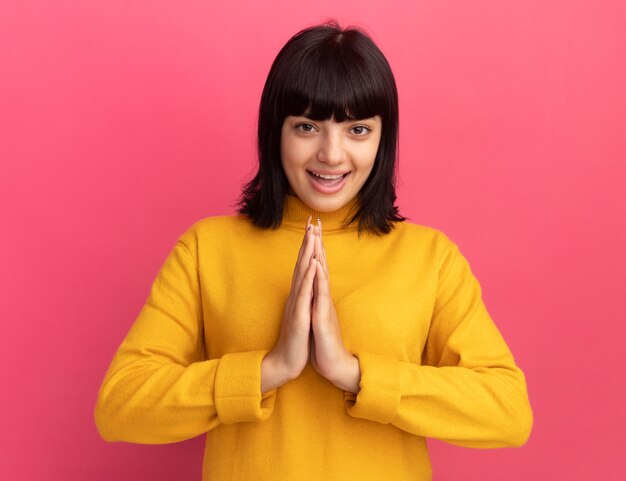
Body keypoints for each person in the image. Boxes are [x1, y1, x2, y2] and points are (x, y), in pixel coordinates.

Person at [95, 21, 533, 481]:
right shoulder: (207, 249)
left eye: (358, 130)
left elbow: (507, 410)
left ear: (384, 139)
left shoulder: (431, 258)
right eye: (307, 126)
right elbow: (121, 404)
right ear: (274, 132)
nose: (331, 153)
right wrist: (269, 369)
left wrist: (354, 374)